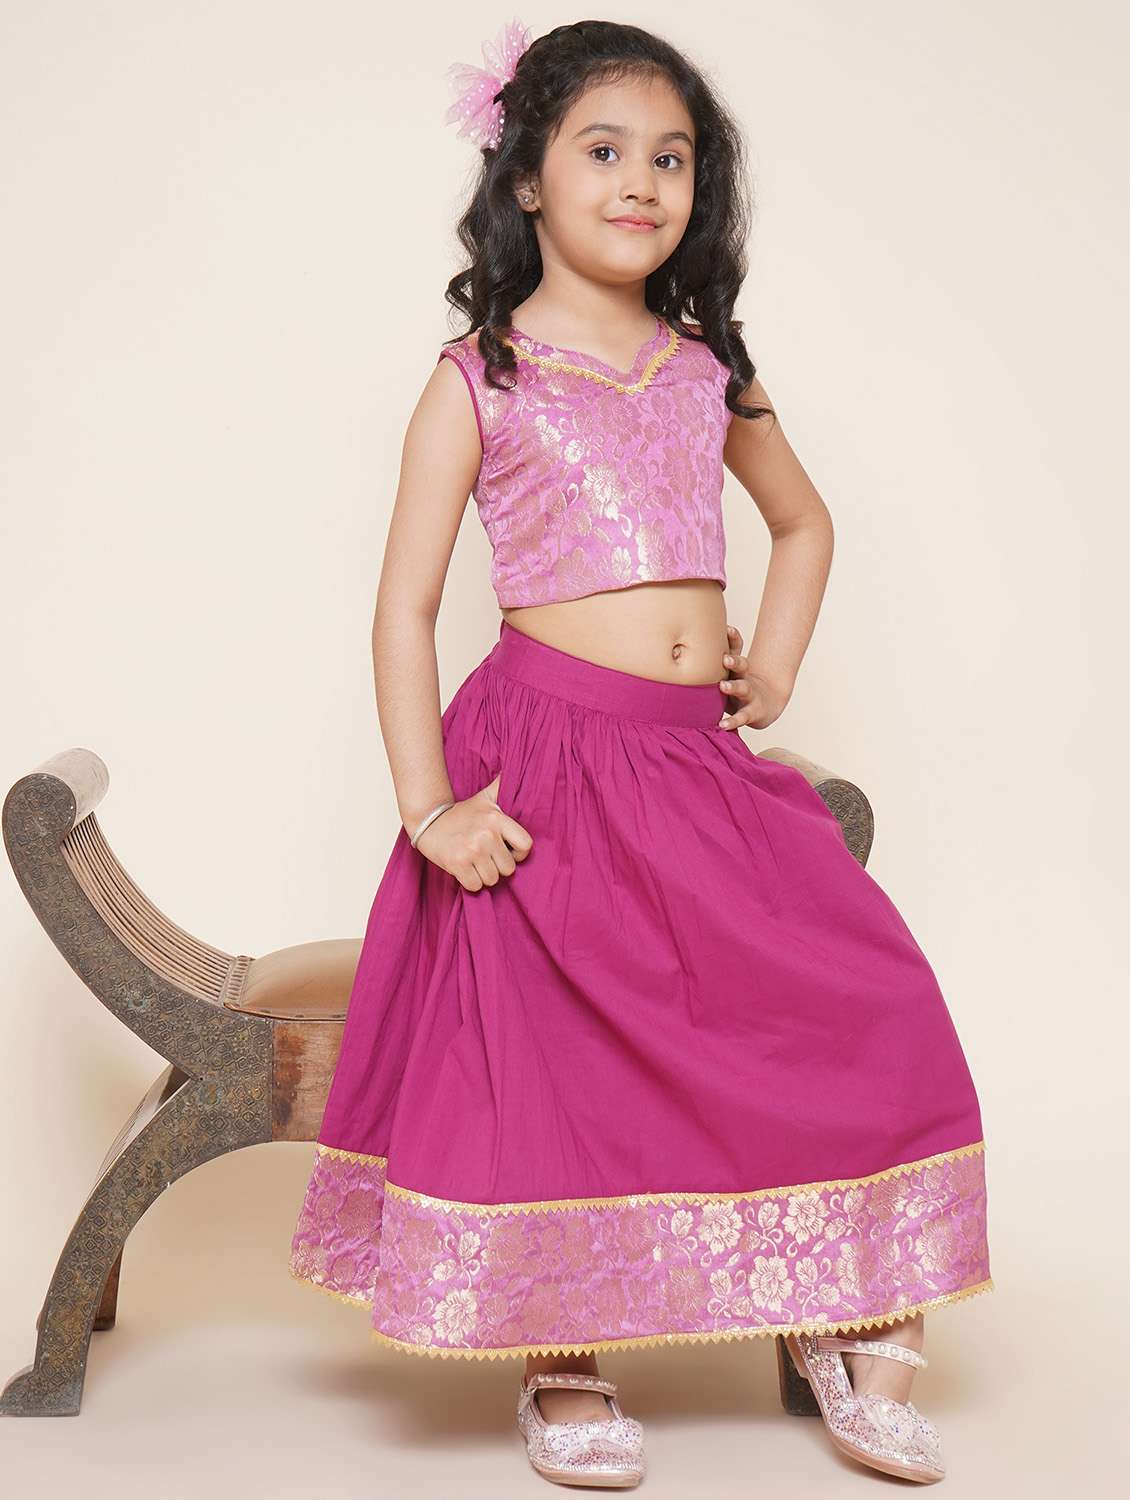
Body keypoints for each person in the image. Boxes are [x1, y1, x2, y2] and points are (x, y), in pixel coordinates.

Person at [289, 17, 993, 1488]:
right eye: (603, 150)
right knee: (557, 1044)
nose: (640, 182)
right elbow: (404, 607)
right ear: (525, 180)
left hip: (686, 762)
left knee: (850, 992)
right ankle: (561, 1354)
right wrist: (429, 807)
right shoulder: (480, 377)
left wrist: (771, 661)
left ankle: (846, 1309)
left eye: (671, 159)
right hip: (543, 762)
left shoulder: (703, 367)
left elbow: (801, 521)